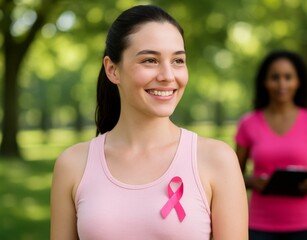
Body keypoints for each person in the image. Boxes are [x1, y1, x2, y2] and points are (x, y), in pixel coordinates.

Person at [50, 5, 248, 240]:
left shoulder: (217, 160)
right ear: (112, 70)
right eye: (150, 60)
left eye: (177, 61)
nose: (167, 75)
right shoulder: (72, 165)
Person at [234, 50, 307, 240]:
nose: (282, 84)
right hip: (259, 225)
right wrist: (253, 181)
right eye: (275, 77)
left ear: (298, 81)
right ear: (264, 82)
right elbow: (233, 176)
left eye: (288, 77)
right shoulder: (248, 123)